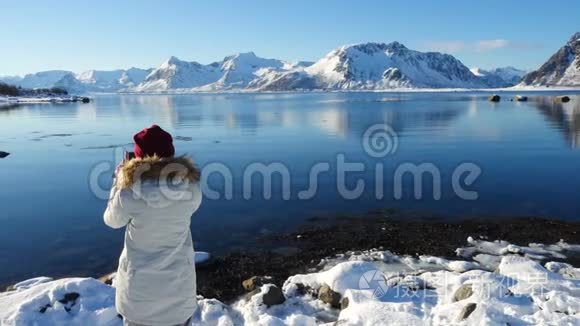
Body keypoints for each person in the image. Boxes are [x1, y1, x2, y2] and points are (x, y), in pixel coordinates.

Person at [104, 125, 202, 326]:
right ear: (171, 154)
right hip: (178, 293)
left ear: (137, 157)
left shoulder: (128, 193)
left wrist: (119, 182)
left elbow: (112, 221)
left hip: (138, 297)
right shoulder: (191, 189)